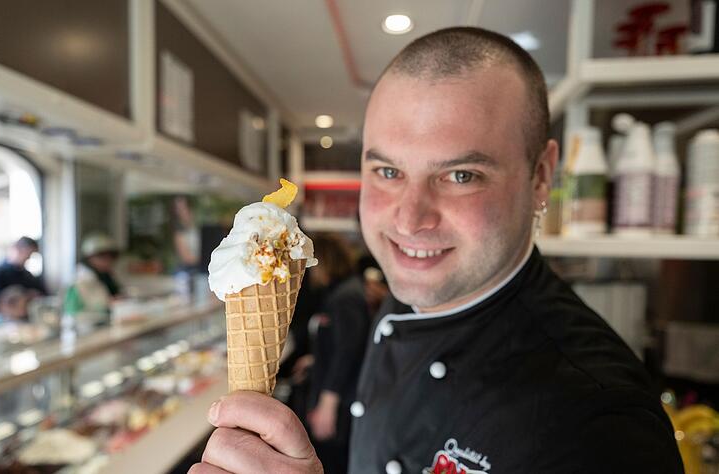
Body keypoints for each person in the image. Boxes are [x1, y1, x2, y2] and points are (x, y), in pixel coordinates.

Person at [190, 27, 683, 474]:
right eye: (387, 171)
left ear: (540, 177)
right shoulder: (414, 288)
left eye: (461, 176)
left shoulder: (601, 427)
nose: (408, 220)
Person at [303, 234, 371, 474]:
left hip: (340, 404)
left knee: (331, 462)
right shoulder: (344, 291)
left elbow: (348, 352)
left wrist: (327, 405)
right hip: (337, 396)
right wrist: (314, 359)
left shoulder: (345, 298)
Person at [0, 236, 47, 323]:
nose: (28, 258)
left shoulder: (28, 275)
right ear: (17, 249)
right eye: (27, 254)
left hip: (26, 323)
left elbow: (44, 295)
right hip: (3, 322)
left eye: (30, 256)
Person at [68, 233, 122, 317]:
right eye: (102, 257)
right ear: (89, 258)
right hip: (86, 326)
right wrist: (108, 304)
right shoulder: (80, 280)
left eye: (110, 258)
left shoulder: (104, 277)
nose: (107, 262)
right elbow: (72, 313)